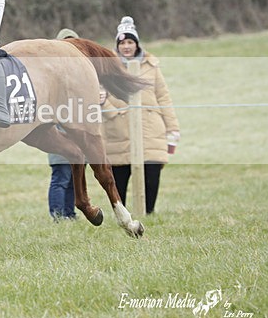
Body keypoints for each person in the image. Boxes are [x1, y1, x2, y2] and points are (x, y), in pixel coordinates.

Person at [100, 16, 180, 215]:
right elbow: (99, 93)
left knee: (151, 173)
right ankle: (123, 215)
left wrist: (172, 127)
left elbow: (163, 96)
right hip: (118, 129)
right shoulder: (107, 66)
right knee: (119, 177)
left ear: (136, 44)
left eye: (130, 42)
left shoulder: (151, 66)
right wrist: (110, 110)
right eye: (122, 43)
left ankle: (149, 213)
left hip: (150, 129)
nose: (126, 47)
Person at [46, 29, 81, 221]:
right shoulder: (53, 74)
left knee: (75, 180)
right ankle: (58, 215)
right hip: (61, 136)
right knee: (61, 178)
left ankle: (70, 213)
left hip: (78, 139)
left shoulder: (81, 73)